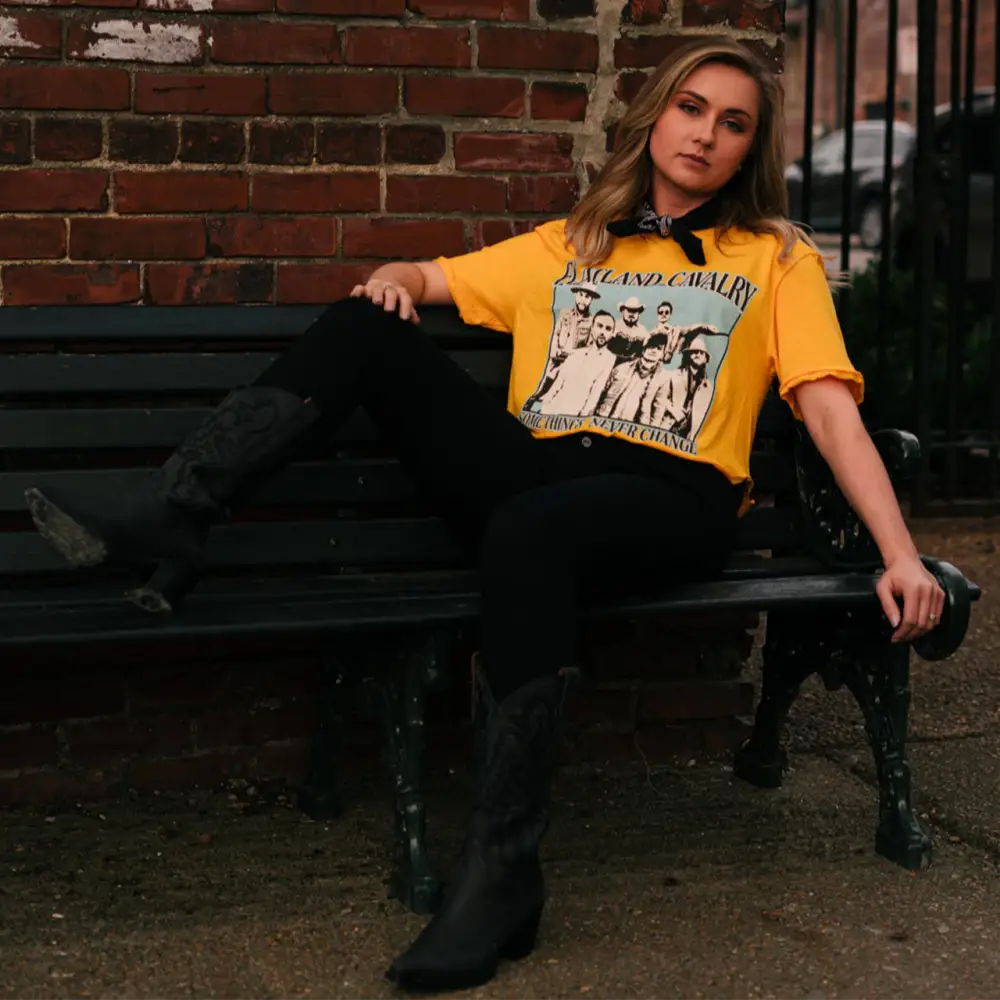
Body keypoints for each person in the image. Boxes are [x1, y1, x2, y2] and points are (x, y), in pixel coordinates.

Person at [23, 35, 945, 996]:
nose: (705, 134)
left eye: (734, 123)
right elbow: (431, 277)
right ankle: (179, 506)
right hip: (540, 476)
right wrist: (396, 281)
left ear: (751, 148)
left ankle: (500, 869)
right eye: (690, 108)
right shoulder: (571, 242)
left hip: (671, 497)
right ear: (654, 116)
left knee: (530, 530)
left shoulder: (774, 259)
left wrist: (899, 553)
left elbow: (829, 412)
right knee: (367, 325)